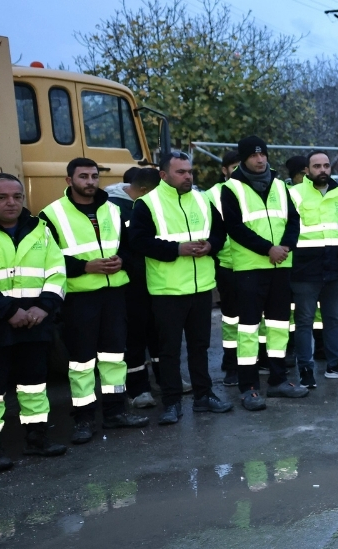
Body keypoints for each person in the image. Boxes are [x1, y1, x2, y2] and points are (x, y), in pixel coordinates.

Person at [42, 158, 151, 443]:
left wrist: (121, 261)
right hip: (79, 297)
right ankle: (84, 419)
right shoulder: (51, 215)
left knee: (115, 357)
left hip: (115, 294)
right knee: (81, 362)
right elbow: (46, 260)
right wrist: (84, 267)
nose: (90, 182)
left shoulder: (113, 210)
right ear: (69, 181)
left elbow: (131, 247)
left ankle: (116, 412)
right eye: (83, 177)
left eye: (93, 176)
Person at [127, 152, 233, 424]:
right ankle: (172, 402)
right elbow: (138, 242)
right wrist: (177, 249)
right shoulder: (147, 204)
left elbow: (220, 232)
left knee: (200, 347)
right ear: (164, 175)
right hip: (168, 290)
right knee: (169, 351)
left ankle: (203, 395)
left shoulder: (202, 198)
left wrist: (211, 245)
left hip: (201, 287)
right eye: (181, 172)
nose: (188, 176)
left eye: (190, 171)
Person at [0, 173, 68, 475]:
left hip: (35, 322)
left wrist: (44, 307)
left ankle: (37, 438)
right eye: (1, 197)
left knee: (34, 384)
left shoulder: (41, 230)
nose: (11, 202)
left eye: (16, 196)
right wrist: (8, 311)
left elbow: (57, 272)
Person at [220, 136, 308, 409]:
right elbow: (234, 228)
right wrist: (268, 249)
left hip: (281, 266)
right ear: (244, 159)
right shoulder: (231, 188)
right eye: (254, 156)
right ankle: (248, 387)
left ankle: (278, 380)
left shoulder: (281, 186)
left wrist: (285, 247)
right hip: (249, 269)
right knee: (248, 329)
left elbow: (294, 220)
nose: (260, 160)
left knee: (280, 325)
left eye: (263, 155)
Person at [288, 150, 338, 385]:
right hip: (305, 268)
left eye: (326, 165)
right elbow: (287, 231)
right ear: (307, 171)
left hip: (334, 267)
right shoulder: (295, 194)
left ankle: (334, 365)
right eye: (317, 166)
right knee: (305, 321)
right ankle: (306, 369)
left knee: (333, 319)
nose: (323, 170)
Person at [110, 167, 165, 408]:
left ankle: (165, 380)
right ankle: (138, 388)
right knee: (134, 336)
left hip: (158, 279)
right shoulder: (113, 208)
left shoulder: (150, 204)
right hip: (130, 283)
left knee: (159, 332)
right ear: (143, 190)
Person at [204, 151, 242, 387]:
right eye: (234, 167)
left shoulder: (256, 189)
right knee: (231, 317)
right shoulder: (211, 195)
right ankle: (231, 364)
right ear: (224, 170)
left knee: (258, 317)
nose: (237, 171)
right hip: (227, 263)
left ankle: (259, 360)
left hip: (257, 263)